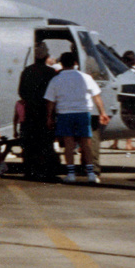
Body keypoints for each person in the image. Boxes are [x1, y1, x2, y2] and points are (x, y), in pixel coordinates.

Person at [44, 52, 110, 184]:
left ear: (61, 63)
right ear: (76, 63)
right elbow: (96, 96)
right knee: (86, 143)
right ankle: (91, 173)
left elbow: (50, 101)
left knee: (68, 144)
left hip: (64, 113)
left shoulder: (56, 79)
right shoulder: (86, 77)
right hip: (83, 113)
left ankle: (71, 173)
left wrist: (49, 117)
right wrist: (102, 112)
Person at [18, 42, 60, 181]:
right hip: (45, 113)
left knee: (30, 144)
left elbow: (21, 92)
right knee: (46, 144)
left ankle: (30, 171)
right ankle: (47, 172)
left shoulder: (27, 71)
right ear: (46, 56)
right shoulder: (50, 73)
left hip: (30, 112)